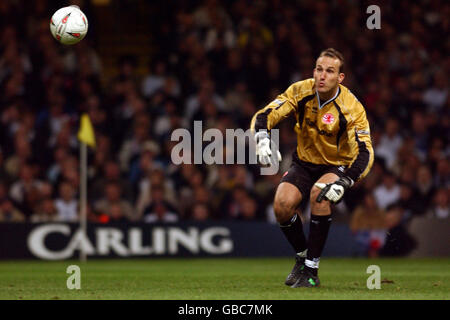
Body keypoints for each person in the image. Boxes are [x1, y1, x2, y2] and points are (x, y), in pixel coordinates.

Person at [250, 48, 374, 288]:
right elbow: (267, 113)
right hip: (304, 163)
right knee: (282, 206)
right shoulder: (300, 91)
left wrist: (346, 181)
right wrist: (262, 138)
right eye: (319, 69)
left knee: (320, 193)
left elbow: (366, 151)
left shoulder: (352, 108)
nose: (322, 76)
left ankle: (311, 271)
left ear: (340, 77)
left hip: (335, 165)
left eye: (329, 71)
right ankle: (302, 256)